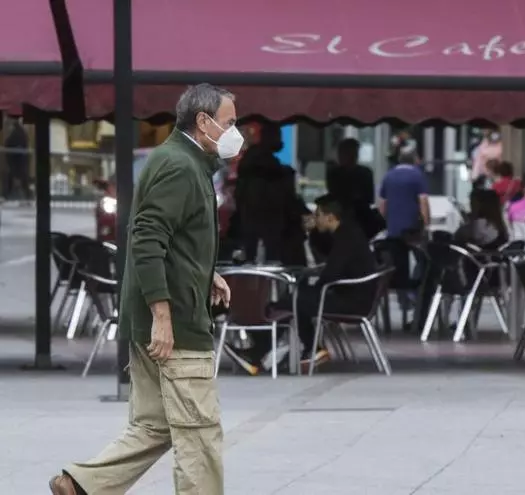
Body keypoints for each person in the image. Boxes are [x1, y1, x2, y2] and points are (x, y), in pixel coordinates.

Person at [50, 83, 238, 495]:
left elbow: (171, 238)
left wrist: (205, 273)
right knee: (199, 434)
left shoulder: (177, 159)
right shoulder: (181, 166)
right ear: (203, 121)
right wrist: (163, 318)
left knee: (155, 425)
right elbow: (148, 239)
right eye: (229, 123)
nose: (234, 132)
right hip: (177, 324)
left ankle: (81, 485)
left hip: (157, 316)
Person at [292, 194, 377, 367]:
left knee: (296, 300)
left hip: (353, 301)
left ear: (330, 217)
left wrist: (315, 290)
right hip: (354, 295)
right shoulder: (347, 233)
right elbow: (328, 257)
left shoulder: (346, 237)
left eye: (318, 215)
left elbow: (332, 272)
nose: (315, 219)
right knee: (296, 298)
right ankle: (305, 347)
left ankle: (311, 348)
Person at [235, 123, 311, 266]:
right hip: (258, 213)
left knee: (270, 253)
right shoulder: (256, 157)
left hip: (268, 215)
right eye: (276, 136)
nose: (279, 141)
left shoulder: (267, 160)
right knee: (256, 254)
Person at [326, 138, 383, 238]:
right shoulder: (335, 173)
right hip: (345, 218)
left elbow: (368, 198)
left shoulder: (364, 173)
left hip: (357, 219)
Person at [378, 149, 431, 239]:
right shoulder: (417, 175)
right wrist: (426, 225)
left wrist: (381, 226)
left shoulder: (388, 176)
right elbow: (423, 202)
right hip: (411, 231)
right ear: (415, 159)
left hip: (392, 230)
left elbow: (382, 205)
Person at [3, 117, 30, 201]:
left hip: (16, 160)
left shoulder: (16, 133)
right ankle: (25, 195)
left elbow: (9, 143)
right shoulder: (21, 132)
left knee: (15, 175)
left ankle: (10, 194)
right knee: (20, 176)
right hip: (19, 160)